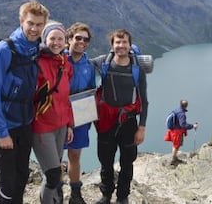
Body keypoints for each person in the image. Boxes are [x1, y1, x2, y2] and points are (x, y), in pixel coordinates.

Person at [0, 0, 49, 204]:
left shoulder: (36, 48)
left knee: (22, 176)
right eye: (30, 23)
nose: (34, 29)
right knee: (8, 184)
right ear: (21, 21)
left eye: (39, 25)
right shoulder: (2, 51)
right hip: (2, 127)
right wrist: (1, 132)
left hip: (24, 123)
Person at [94, 29, 148, 204]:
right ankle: (106, 194)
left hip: (129, 122)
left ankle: (123, 196)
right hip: (106, 121)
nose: (121, 45)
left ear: (129, 45)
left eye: (124, 42)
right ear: (112, 45)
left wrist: (142, 127)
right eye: (117, 42)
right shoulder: (104, 63)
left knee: (127, 161)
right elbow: (78, 62)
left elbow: (144, 100)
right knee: (105, 161)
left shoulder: (137, 70)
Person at [32, 20, 74, 204]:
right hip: (41, 127)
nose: (56, 42)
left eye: (60, 39)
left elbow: (65, 98)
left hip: (61, 126)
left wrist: (69, 124)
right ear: (44, 39)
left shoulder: (65, 63)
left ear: (65, 41)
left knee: (55, 170)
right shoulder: (37, 63)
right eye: (52, 38)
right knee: (52, 175)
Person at [63, 22, 96, 204]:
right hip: (59, 116)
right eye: (78, 38)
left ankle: (75, 194)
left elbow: (91, 89)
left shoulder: (89, 65)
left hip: (80, 116)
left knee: (75, 156)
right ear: (69, 40)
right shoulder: (59, 60)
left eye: (86, 39)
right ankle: (55, 193)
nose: (82, 42)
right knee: (56, 158)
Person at [164, 99, 198, 165]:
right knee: (176, 145)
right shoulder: (182, 114)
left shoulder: (176, 110)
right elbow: (183, 125)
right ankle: (174, 159)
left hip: (173, 130)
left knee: (175, 144)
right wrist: (192, 126)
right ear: (186, 105)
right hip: (177, 132)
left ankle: (174, 157)